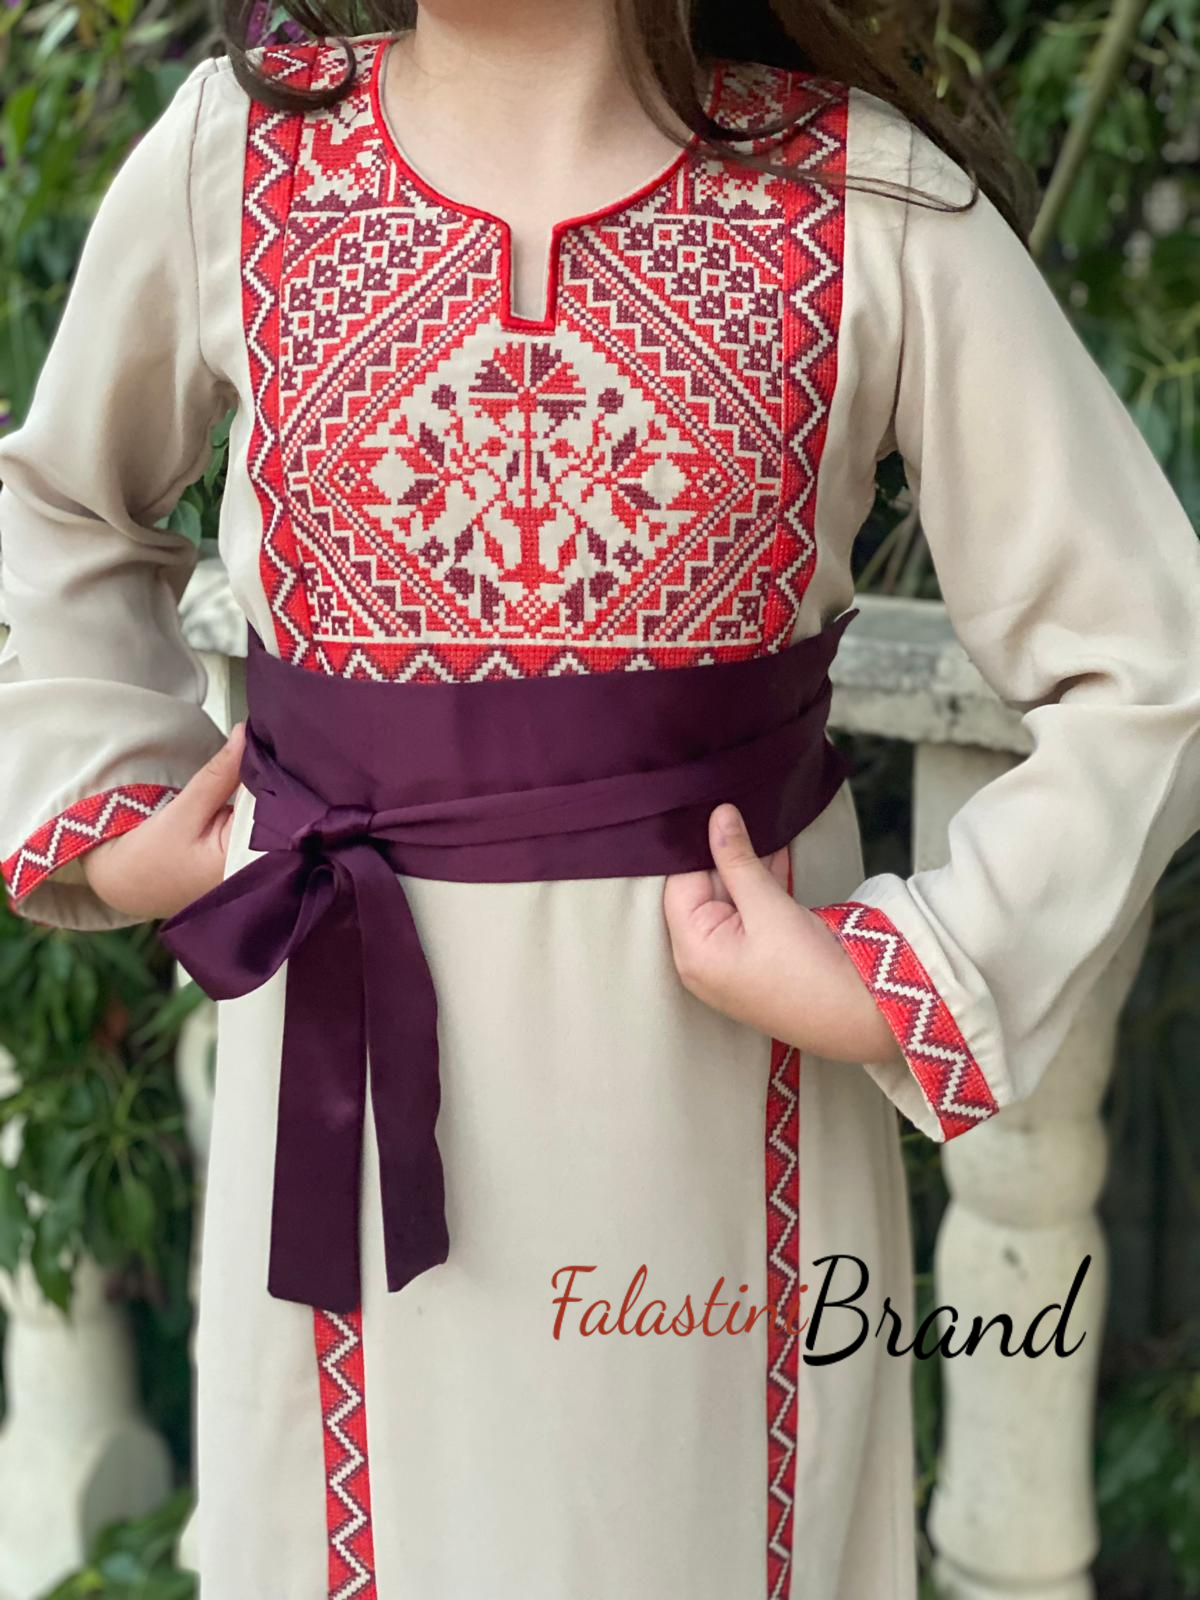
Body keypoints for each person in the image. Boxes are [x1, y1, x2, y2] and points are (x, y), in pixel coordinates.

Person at [1, 2, 1198, 1596]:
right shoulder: (239, 156)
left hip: (711, 1108)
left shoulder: (865, 196)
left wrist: (912, 972)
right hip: (336, 1082)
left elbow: (1153, 658)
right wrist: (109, 802)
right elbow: (58, 507)